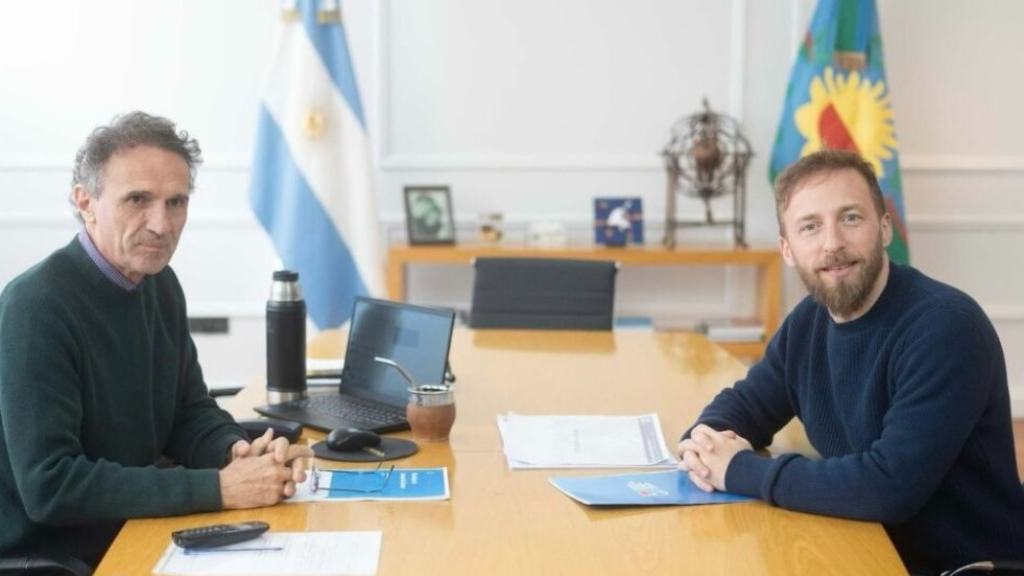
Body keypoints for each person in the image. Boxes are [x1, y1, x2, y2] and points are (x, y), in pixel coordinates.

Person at [677, 149, 1024, 574]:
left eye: (851, 218)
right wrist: (701, 444)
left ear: (883, 228)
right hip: (859, 546)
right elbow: (747, 405)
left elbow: (888, 487)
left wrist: (739, 471)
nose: (832, 243)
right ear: (788, 250)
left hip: (962, 566)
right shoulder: (808, 322)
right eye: (810, 227)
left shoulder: (946, 328)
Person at [0, 112, 314, 569]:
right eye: (138, 200)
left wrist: (238, 451)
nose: (161, 224)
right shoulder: (36, 307)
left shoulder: (160, 284)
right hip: (56, 556)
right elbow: (51, 487)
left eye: (176, 202)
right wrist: (220, 488)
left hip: (137, 528)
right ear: (85, 201)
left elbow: (186, 412)